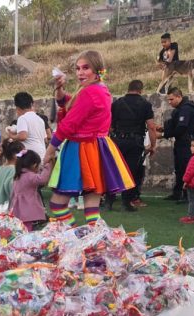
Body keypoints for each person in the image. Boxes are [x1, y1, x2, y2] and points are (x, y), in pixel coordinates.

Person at [44, 50, 134, 226]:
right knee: (92, 211)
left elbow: (68, 124)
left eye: (85, 68)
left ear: (97, 70)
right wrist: (60, 89)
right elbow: (72, 104)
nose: (80, 72)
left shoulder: (89, 92)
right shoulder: (99, 89)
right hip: (95, 149)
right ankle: (94, 244)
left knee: (57, 204)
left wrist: (50, 150)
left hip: (80, 149)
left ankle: (77, 237)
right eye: (77, 69)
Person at [107, 80, 158, 211]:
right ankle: (126, 202)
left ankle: (109, 200)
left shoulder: (117, 103)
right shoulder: (145, 105)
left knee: (113, 170)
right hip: (135, 142)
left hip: (117, 140)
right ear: (141, 90)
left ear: (128, 88)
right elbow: (151, 127)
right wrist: (153, 145)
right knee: (130, 171)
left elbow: (109, 126)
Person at [157, 87, 194, 202]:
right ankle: (177, 193)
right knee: (179, 169)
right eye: (168, 100)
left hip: (186, 143)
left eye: (171, 99)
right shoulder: (180, 108)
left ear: (179, 97)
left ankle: (187, 196)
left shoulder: (186, 109)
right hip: (182, 142)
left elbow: (181, 127)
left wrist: (164, 135)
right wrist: (164, 129)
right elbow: (176, 124)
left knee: (186, 168)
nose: (169, 102)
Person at [11, 149, 53, 231]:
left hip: (19, 209)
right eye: (38, 165)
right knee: (27, 230)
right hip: (27, 209)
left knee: (22, 229)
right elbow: (42, 179)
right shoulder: (29, 176)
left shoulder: (19, 175)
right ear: (34, 165)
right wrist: (48, 167)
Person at [8, 92, 47, 160]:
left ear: (17, 108)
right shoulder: (40, 119)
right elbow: (45, 139)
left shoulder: (22, 118)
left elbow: (23, 136)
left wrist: (11, 136)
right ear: (31, 104)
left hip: (31, 157)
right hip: (42, 154)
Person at [0, 140, 25, 210]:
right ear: (15, 155)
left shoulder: (2, 168)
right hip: (8, 209)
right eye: (23, 153)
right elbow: (11, 189)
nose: (25, 157)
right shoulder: (14, 170)